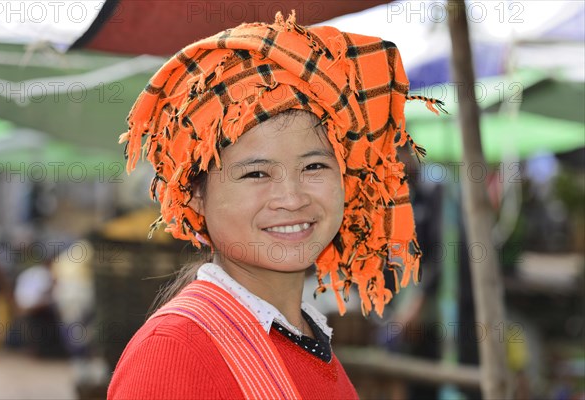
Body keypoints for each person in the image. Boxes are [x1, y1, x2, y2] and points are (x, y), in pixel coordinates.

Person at [108, 11, 442, 399]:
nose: (292, 198)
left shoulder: (304, 335)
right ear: (195, 194)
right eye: (256, 174)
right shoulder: (174, 353)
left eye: (314, 166)